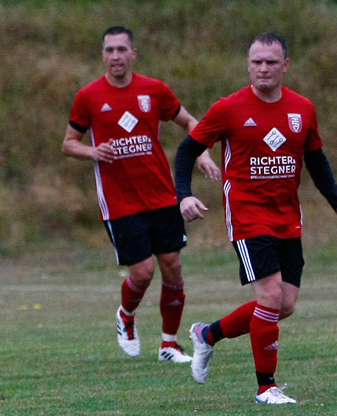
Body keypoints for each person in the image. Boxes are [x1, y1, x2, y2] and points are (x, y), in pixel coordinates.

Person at [175, 31, 337, 404]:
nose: (263, 68)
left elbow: (316, 159)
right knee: (271, 296)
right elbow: (186, 151)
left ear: (285, 66)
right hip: (247, 216)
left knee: (284, 305)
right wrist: (184, 196)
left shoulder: (303, 109)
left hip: (287, 217)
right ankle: (266, 387)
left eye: (271, 62)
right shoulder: (228, 108)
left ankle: (206, 335)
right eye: (257, 62)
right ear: (248, 65)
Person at [62, 26, 219, 363]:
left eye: (121, 49)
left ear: (133, 54)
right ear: (103, 55)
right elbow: (68, 144)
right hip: (119, 201)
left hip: (161, 195)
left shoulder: (154, 90)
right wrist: (92, 152)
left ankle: (169, 345)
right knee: (143, 273)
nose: (115, 56)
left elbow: (192, 123)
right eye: (109, 50)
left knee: (173, 268)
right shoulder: (89, 96)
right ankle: (126, 317)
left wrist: (202, 153)